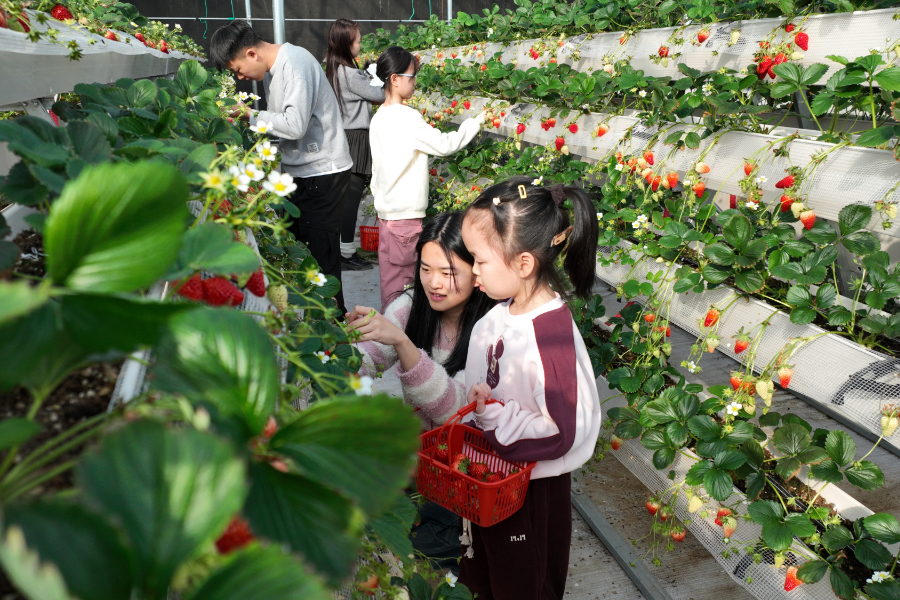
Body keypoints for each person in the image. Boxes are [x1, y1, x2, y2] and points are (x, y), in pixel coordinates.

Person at [459, 177, 603, 600]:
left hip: (529, 493)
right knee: (485, 573)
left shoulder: (549, 337)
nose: (473, 271)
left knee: (524, 584)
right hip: (492, 477)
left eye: (479, 260)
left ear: (523, 263)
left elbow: (561, 430)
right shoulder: (499, 315)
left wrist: (492, 415)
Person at [345, 212, 495, 573]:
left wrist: (404, 344)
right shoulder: (411, 306)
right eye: (426, 269)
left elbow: (456, 413)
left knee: (419, 549)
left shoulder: (493, 329)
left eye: (448, 272)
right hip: (421, 460)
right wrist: (340, 353)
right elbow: (368, 358)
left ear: (477, 272)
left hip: (468, 472)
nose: (434, 283)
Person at [210, 20, 352, 314]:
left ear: (251, 53)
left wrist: (248, 114)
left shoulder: (295, 63)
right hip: (301, 171)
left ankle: (334, 328)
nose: (240, 77)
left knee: (320, 264)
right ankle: (313, 323)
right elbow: (279, 124)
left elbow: (294, 125)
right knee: (301, 258)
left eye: (238, 69)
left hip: (322, 172)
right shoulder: (272, 71)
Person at [369, 46, 486, 310]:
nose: (415, 82)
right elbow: (445, 144)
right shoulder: (406, 117)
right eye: (411, 76)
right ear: (395, 79)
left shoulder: (379, 116)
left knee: (391, 283)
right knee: (405, 289)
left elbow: (376, 168)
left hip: (387, 216)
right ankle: (399, 331)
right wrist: (476, 122)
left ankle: (389, 328)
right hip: (405, 218)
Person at [325, 18, 385, 272]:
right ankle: (346, 253)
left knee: (345, 199)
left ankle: (341, 250)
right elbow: (379, 94)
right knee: (351, 200)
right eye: (358, 41)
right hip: (356, 137)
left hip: (345, 136)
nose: (360, 45)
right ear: (346, 44)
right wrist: (377, 74)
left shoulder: (335, 69)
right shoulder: (349, 73)